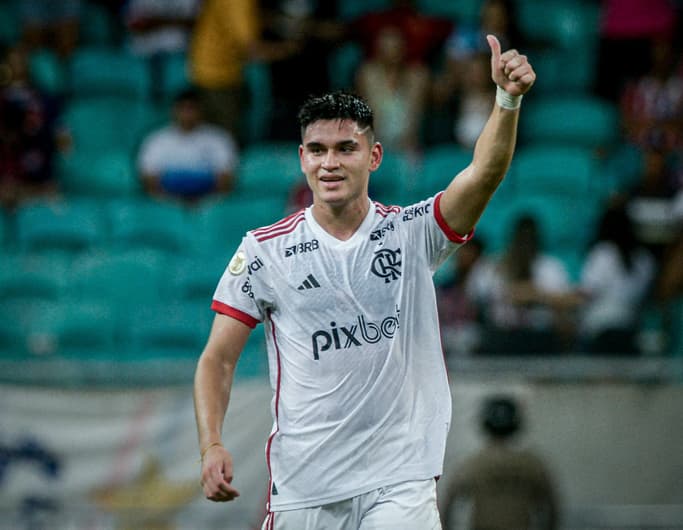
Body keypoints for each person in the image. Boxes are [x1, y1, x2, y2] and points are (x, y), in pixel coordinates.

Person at [193, 34, 535, 529]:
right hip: (305, 488)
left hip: (400, 481)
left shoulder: (413, 233)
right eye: (317, 149)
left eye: (345, 148)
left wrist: (506, 100)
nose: (329, 162)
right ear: (302, 158)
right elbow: (217, 359)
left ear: (373, 157)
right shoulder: (263, 250)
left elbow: (483, 173)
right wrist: (211, 443)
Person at [467, 214, 581, 354]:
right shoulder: (492, 266)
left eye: (529, 239)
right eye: (521, 239)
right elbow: (472, 297)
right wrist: (511, 291)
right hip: (501, 337)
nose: (525, 244)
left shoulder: (549, 267)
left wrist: (536, 295)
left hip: (541, 337)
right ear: (513, 239)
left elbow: (571, 301)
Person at [440, 395, 559, 530]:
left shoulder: (473, 464)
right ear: (516, 424)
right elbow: (551, 506)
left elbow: (448, 504)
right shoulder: (532, 465)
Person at [578, 203, 656, 355]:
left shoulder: (603, 253)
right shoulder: (645, 259)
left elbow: (587, 293)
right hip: (630, 328)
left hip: (602, 330)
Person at [136, 88, 238, 203]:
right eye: (183, 108)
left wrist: (203, 203)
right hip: (166, 206)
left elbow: (225, 179)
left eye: (192, 109)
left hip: (209, 206)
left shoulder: (219, 138)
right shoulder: (156, 140)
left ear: (201, 110)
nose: (187, 114)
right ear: (174, 110)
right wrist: (174, 204)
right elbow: (148, 180)